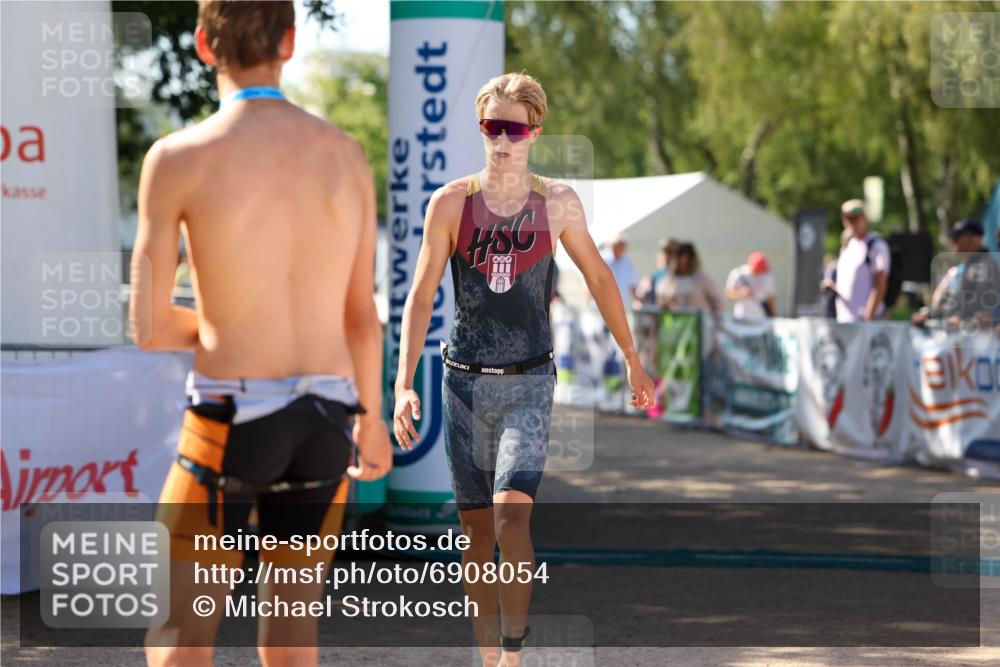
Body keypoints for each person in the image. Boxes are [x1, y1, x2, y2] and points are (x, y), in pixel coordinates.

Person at [129, 2, 391, 665]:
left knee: (180, 635)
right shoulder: (346, 155)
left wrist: (230, 326)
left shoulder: (177, 157)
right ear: (290, 41)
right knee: (292, 636)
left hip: (231, 416)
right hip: (328, 418)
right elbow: (361, 316)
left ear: (203, 45)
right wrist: (373, 422)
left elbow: (149, 326)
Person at [392, 72, 654, 667]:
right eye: (492, 127)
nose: (502, 140)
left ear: (535, 132)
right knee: (476, 537)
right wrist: (404, 383)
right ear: (480, 128)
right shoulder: (451, 203)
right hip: (462, 383)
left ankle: (513, 654)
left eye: (514, 129)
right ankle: (488, 656)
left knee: (512, 516)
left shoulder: (556, 202)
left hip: (529, 382)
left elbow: (599, 277)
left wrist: (632, 357)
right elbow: (422, 292)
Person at [912, 218, 1000, 330]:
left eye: (958, 238)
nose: (953, 242)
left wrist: (959, 316)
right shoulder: (963, 268)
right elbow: (952, 301)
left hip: (974, 335)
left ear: (973, 239)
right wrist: (929, 314)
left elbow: (980, 303)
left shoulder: (985, 266)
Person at [830, 199, 890, 322]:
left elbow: (880, 284)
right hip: (845, 320)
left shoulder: (876, 245)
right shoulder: (847, 246)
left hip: (866, 322)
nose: (851, 222)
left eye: (856, 218)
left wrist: (868, 317)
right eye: (847, 218)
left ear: (865, 218)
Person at [656, 242, 723, 313]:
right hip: (676, 317)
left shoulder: (700, 277)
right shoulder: (670, 277)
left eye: (684, 256)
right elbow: (661, 295)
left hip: (698, 318)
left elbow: (717, 301)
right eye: (678, 255)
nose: (681, 260)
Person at [725, 251, 776, 320]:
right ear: (751, 266)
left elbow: (771, 298)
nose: (760, 273)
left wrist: (772, 316)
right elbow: (728, 293)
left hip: (761, 317)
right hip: (742, 316)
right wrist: (740, 294)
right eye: (757, 270)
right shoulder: (738, 274)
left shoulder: (767, 276)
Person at [601, 233, 639, 310]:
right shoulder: (603, 258)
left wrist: (636, 299)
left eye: (622, 246)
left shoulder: (627, 262)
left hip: (622, 304)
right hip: (603, 303)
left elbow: (632, 283)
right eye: (617, 246)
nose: (620, 249)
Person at [635, 238, 677, 306]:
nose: (668, 255)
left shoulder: (685, 278)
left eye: (672, 252)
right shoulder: (652, 278)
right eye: (666, 251)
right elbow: (639, 299)